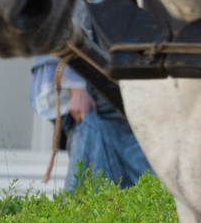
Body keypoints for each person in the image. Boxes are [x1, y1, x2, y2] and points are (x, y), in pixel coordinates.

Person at [29, 56, 150, 190]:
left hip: (140, 96)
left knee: (154, 193)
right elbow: (55, 39)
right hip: (97, 101)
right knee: (94, 194)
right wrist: (76, 86)